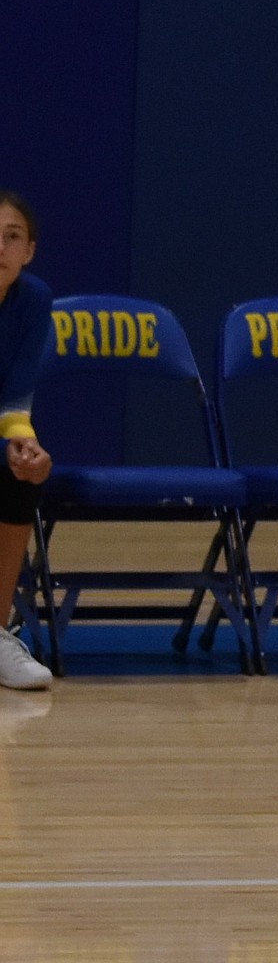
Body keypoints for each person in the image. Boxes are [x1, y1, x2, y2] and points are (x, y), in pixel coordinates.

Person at [0, 191, 54, 690]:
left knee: (21, 476)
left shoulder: (33, 300)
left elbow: (14, 400)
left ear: (29, 250)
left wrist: (23, 446)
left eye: (11, 237)